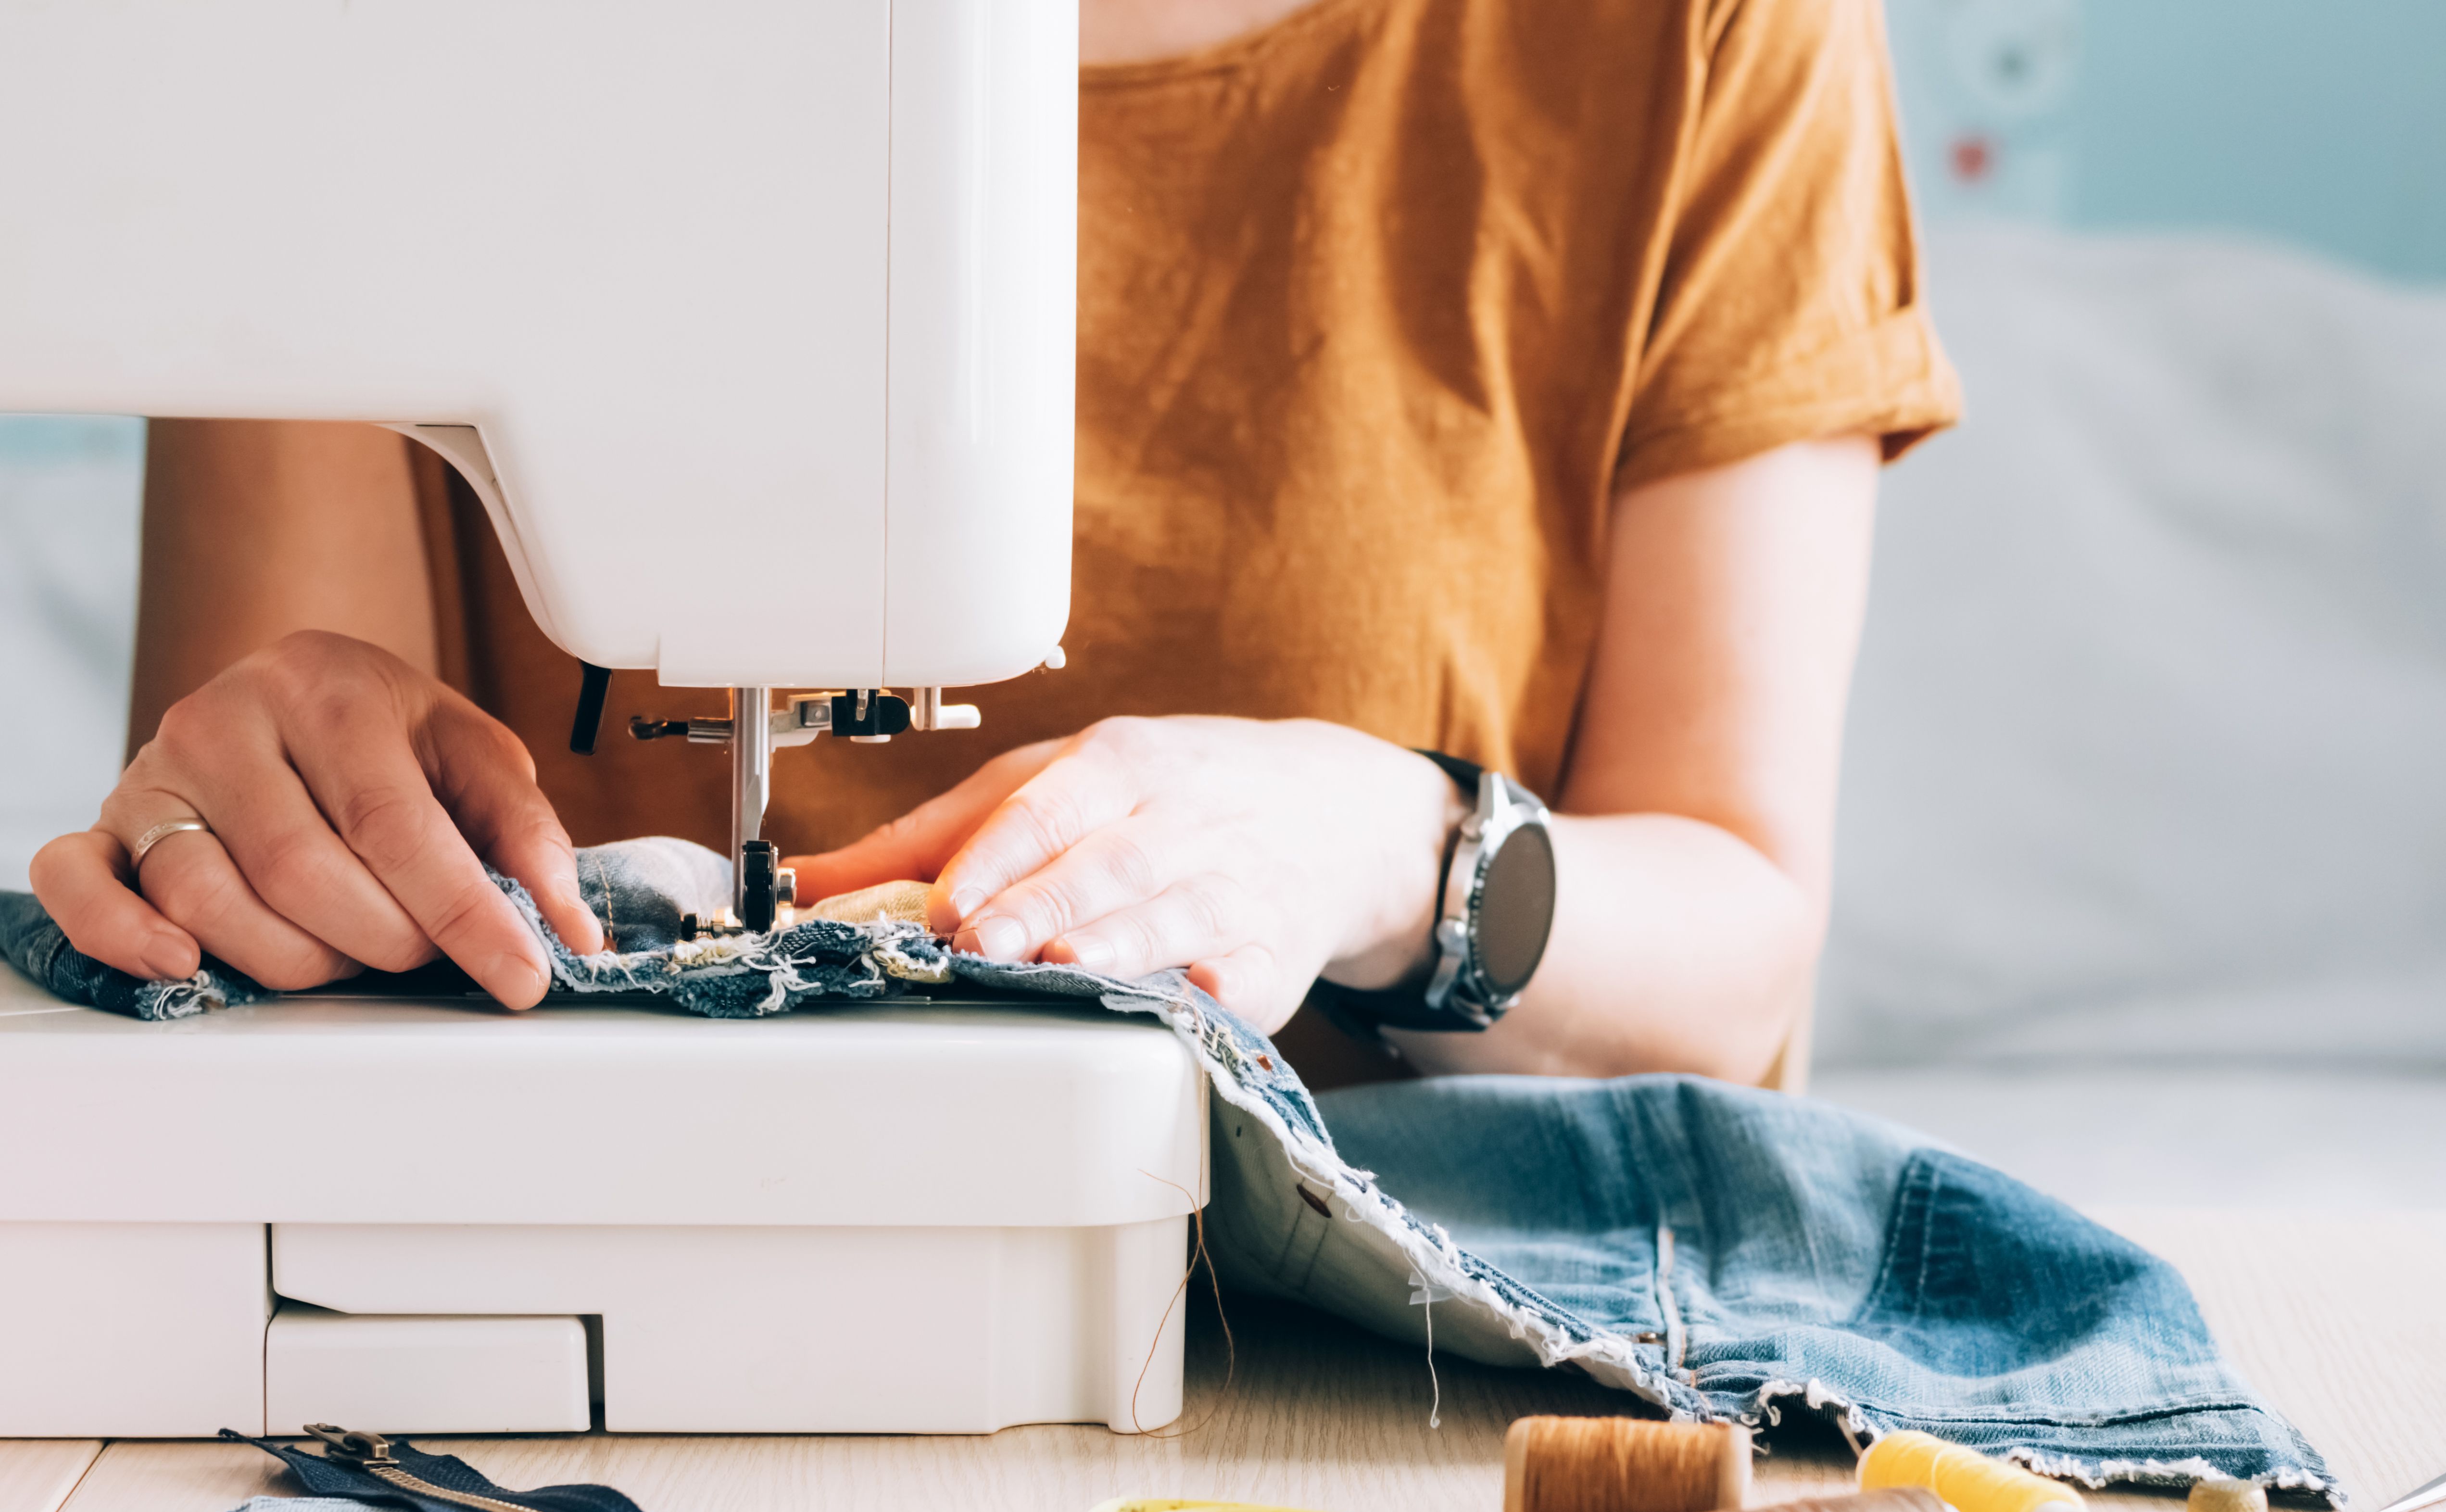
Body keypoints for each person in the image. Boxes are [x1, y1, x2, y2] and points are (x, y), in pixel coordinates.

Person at [30, 0, 1955, 1087]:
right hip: (600, 1303)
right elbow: (291, 965)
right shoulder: (363, 36)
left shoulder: (1704, 33)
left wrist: (1385, 846)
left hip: (1388, 1357)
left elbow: (1737, 947)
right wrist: (272, 783)